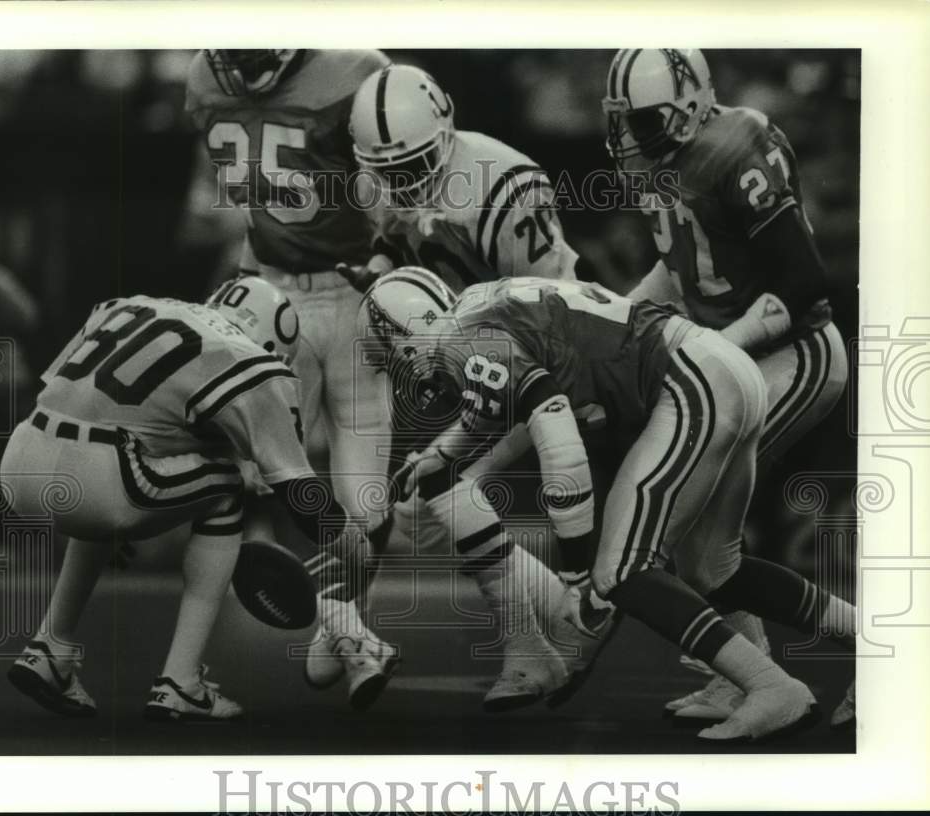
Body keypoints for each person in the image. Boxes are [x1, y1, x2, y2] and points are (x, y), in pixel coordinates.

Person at [362, 273, 855, 741]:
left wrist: (575, 573)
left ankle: (771, 686)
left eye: (392, 359)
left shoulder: (460, 341)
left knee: (620, 573)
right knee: (713, 569)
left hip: (690, 381)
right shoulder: (476, 310)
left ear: (401, 337)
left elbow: (558, 440)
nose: (402, 374)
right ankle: (871, 639)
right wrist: (440, 455)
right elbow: (500, 396)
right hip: (718, 366)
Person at [1, 276, 395, 721]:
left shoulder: (134, 303)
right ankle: (180, 683)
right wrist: (356, 548)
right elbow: (300, 496)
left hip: (21, 459)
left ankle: (49, 647)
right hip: (102, 477)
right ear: (270, 340)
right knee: (226, 488)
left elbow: (91, 402)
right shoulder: (251, 361)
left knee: (121, 460)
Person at [343, 65, 611, 710]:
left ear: (447, 124)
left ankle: (572, 620)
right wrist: (380, 276)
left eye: (414, 164)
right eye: (391, 171)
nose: (404, 182)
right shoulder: (382, 176)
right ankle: (541, 644)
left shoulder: (503, 183)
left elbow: (548, 305)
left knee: (441, 491)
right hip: (475, 350)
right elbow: (398, 244)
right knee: (437, 498)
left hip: (552, 348)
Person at [602, 48, 850, 724]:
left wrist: (717, 346)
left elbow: (802, 286)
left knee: (684, 520)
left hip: (792, 352)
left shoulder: (733, 145)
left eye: (644, 121)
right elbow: (681, 270)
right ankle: (753, 675)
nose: (629, 140)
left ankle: (825, 666)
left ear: (690, 102)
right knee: (708, 559)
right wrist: (613, 319)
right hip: (742, 358)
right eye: (620, 123)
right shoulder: (671, 162)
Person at [185, 50, 398, 703]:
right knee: (283, 475)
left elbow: (391, 184)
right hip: (282, 295)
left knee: (357, 495)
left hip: (337, 294)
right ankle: (348, 628)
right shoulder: (214, 76)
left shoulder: (344, 73)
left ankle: (338, 621)